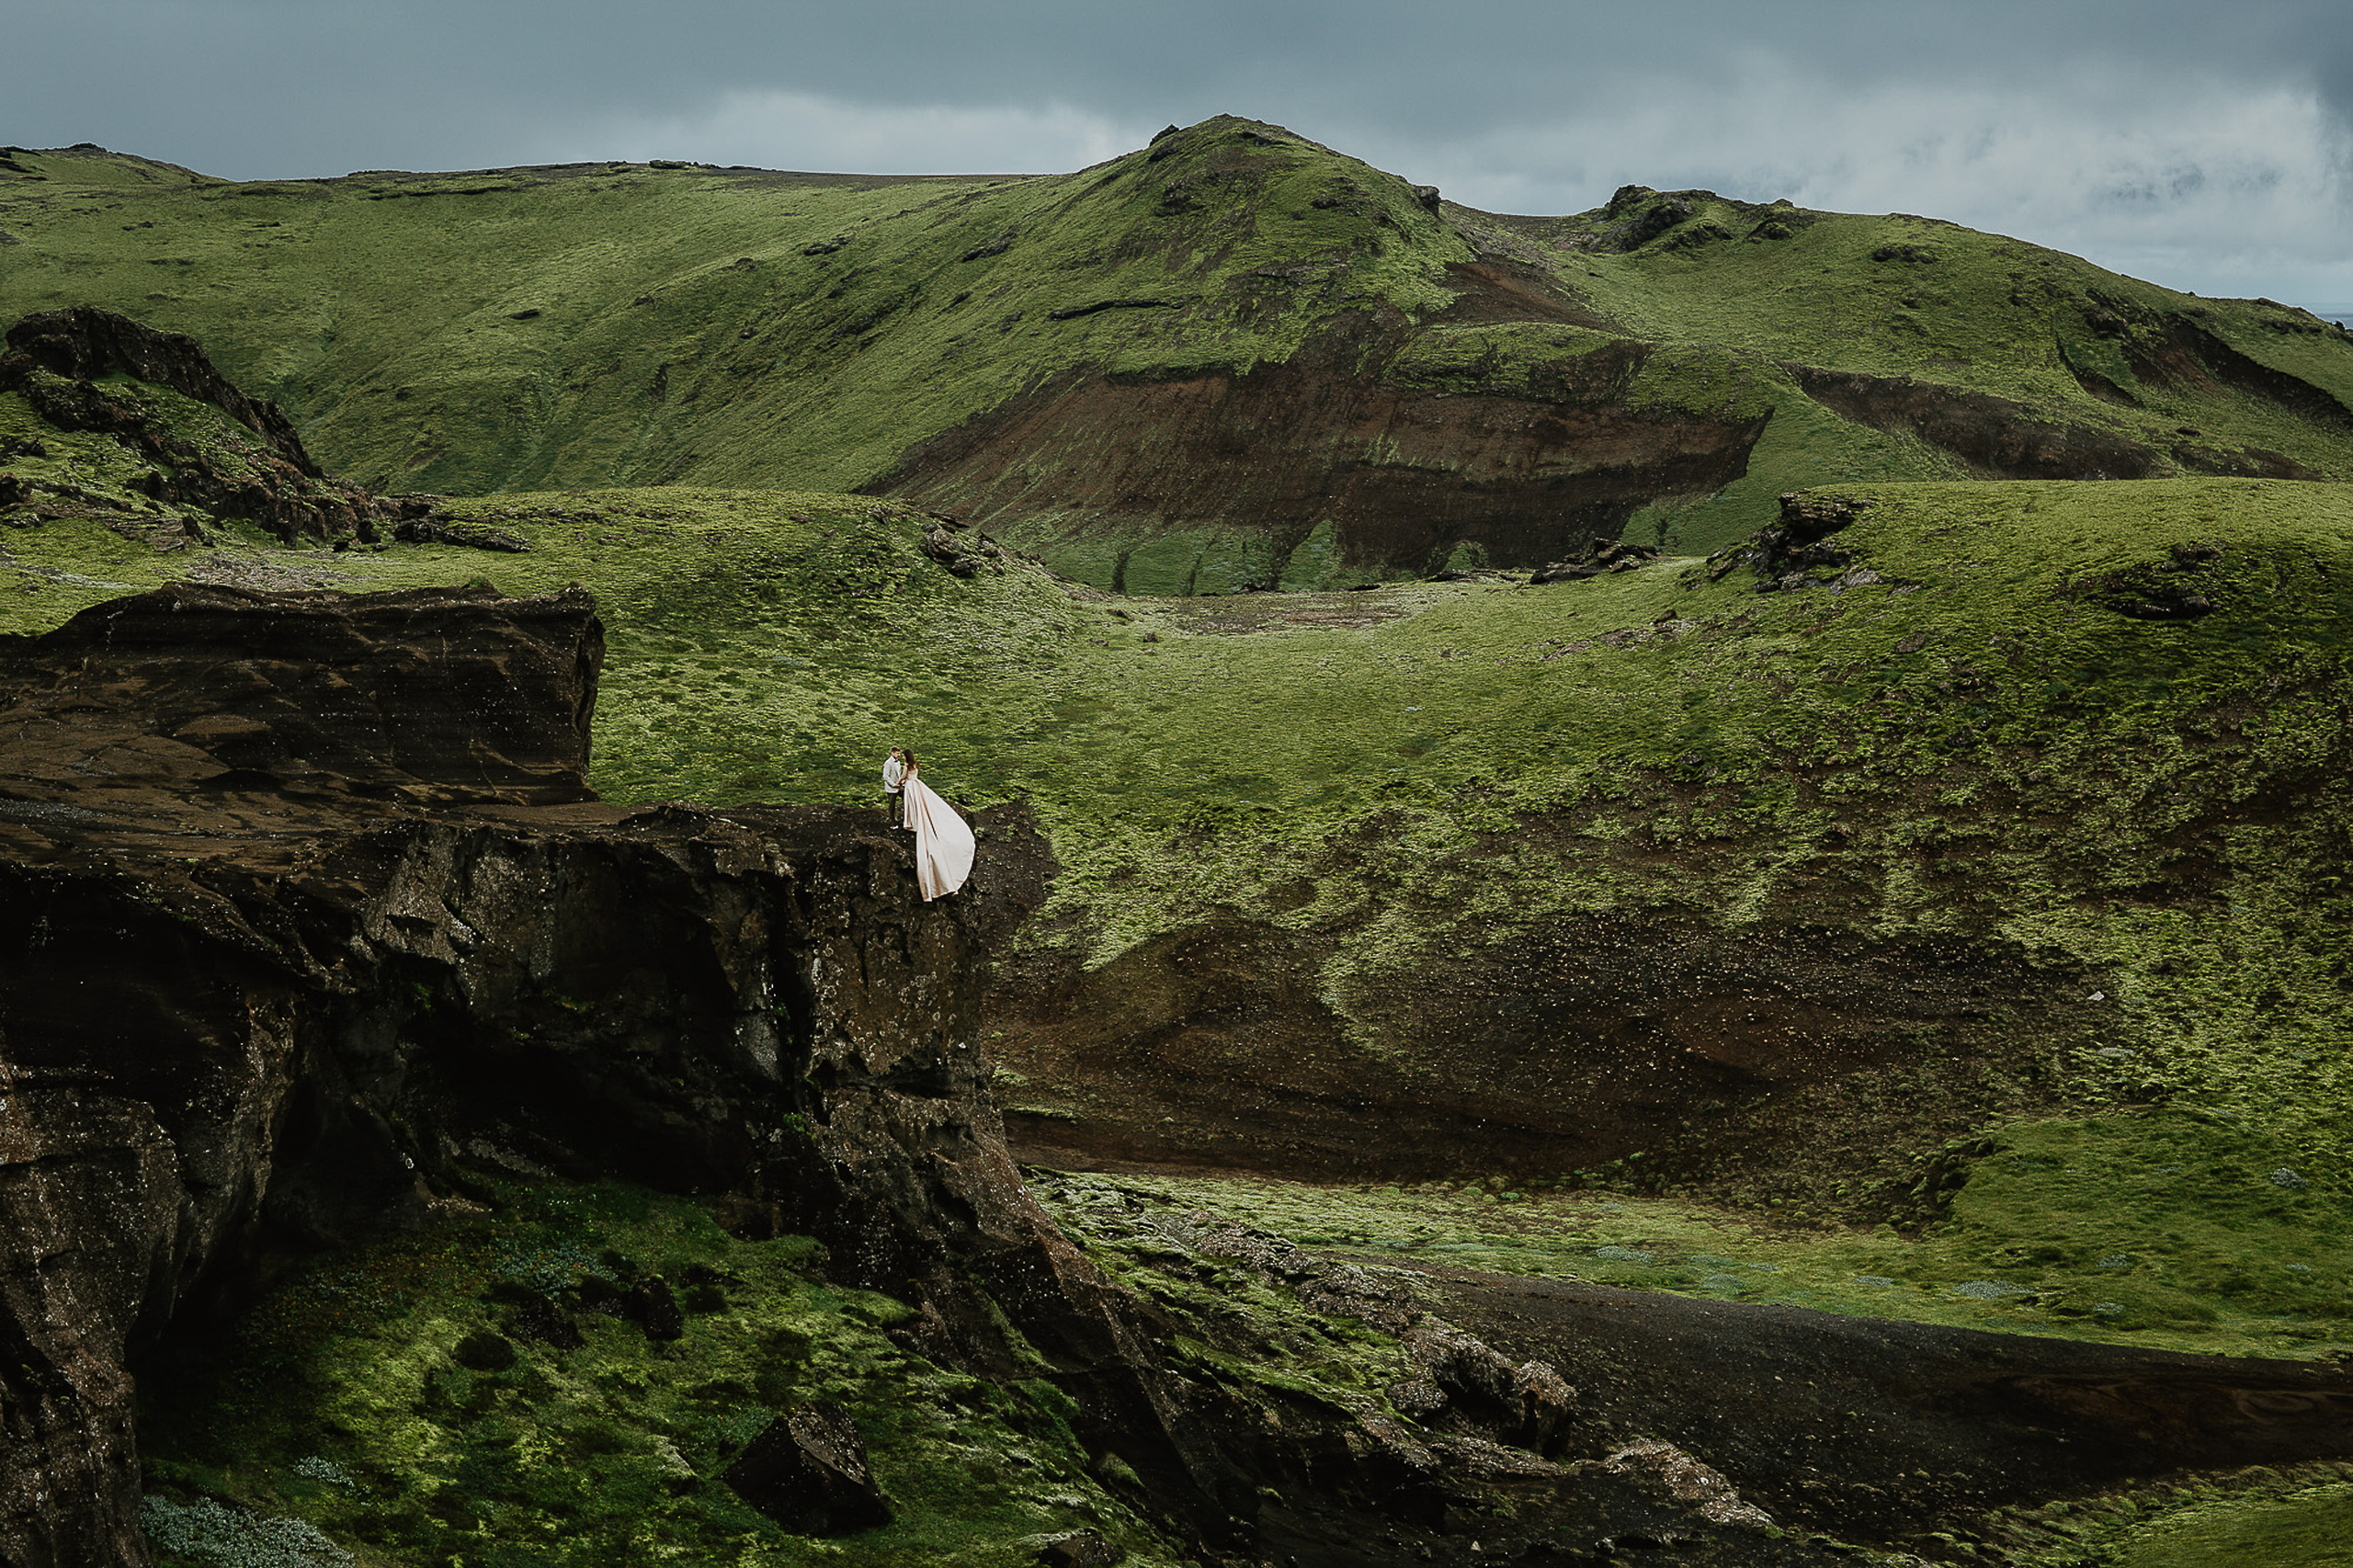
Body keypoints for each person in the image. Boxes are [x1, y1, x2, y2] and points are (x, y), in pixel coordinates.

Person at [896, 748, 975, 901]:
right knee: (920, 803)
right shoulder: (916, 765)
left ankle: (911, 821)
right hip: (917, 784)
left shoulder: (906, 766)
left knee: (912, 803)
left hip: (911, 786)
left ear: (907, 756)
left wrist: (899, 782)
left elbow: (904, 777)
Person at [881, 746, 906, 826]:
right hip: (891, 788)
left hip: (899, 786)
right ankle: (892, 822)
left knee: (906, 798)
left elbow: (898, 774)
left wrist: (900, 782)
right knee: (892, 805)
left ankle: (907, 818)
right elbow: (885, 776)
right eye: (897, 753)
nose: (898, 755)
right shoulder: (888, 763)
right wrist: (893, 784)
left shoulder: (898, 762)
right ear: (892, 753)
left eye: (899, 753)